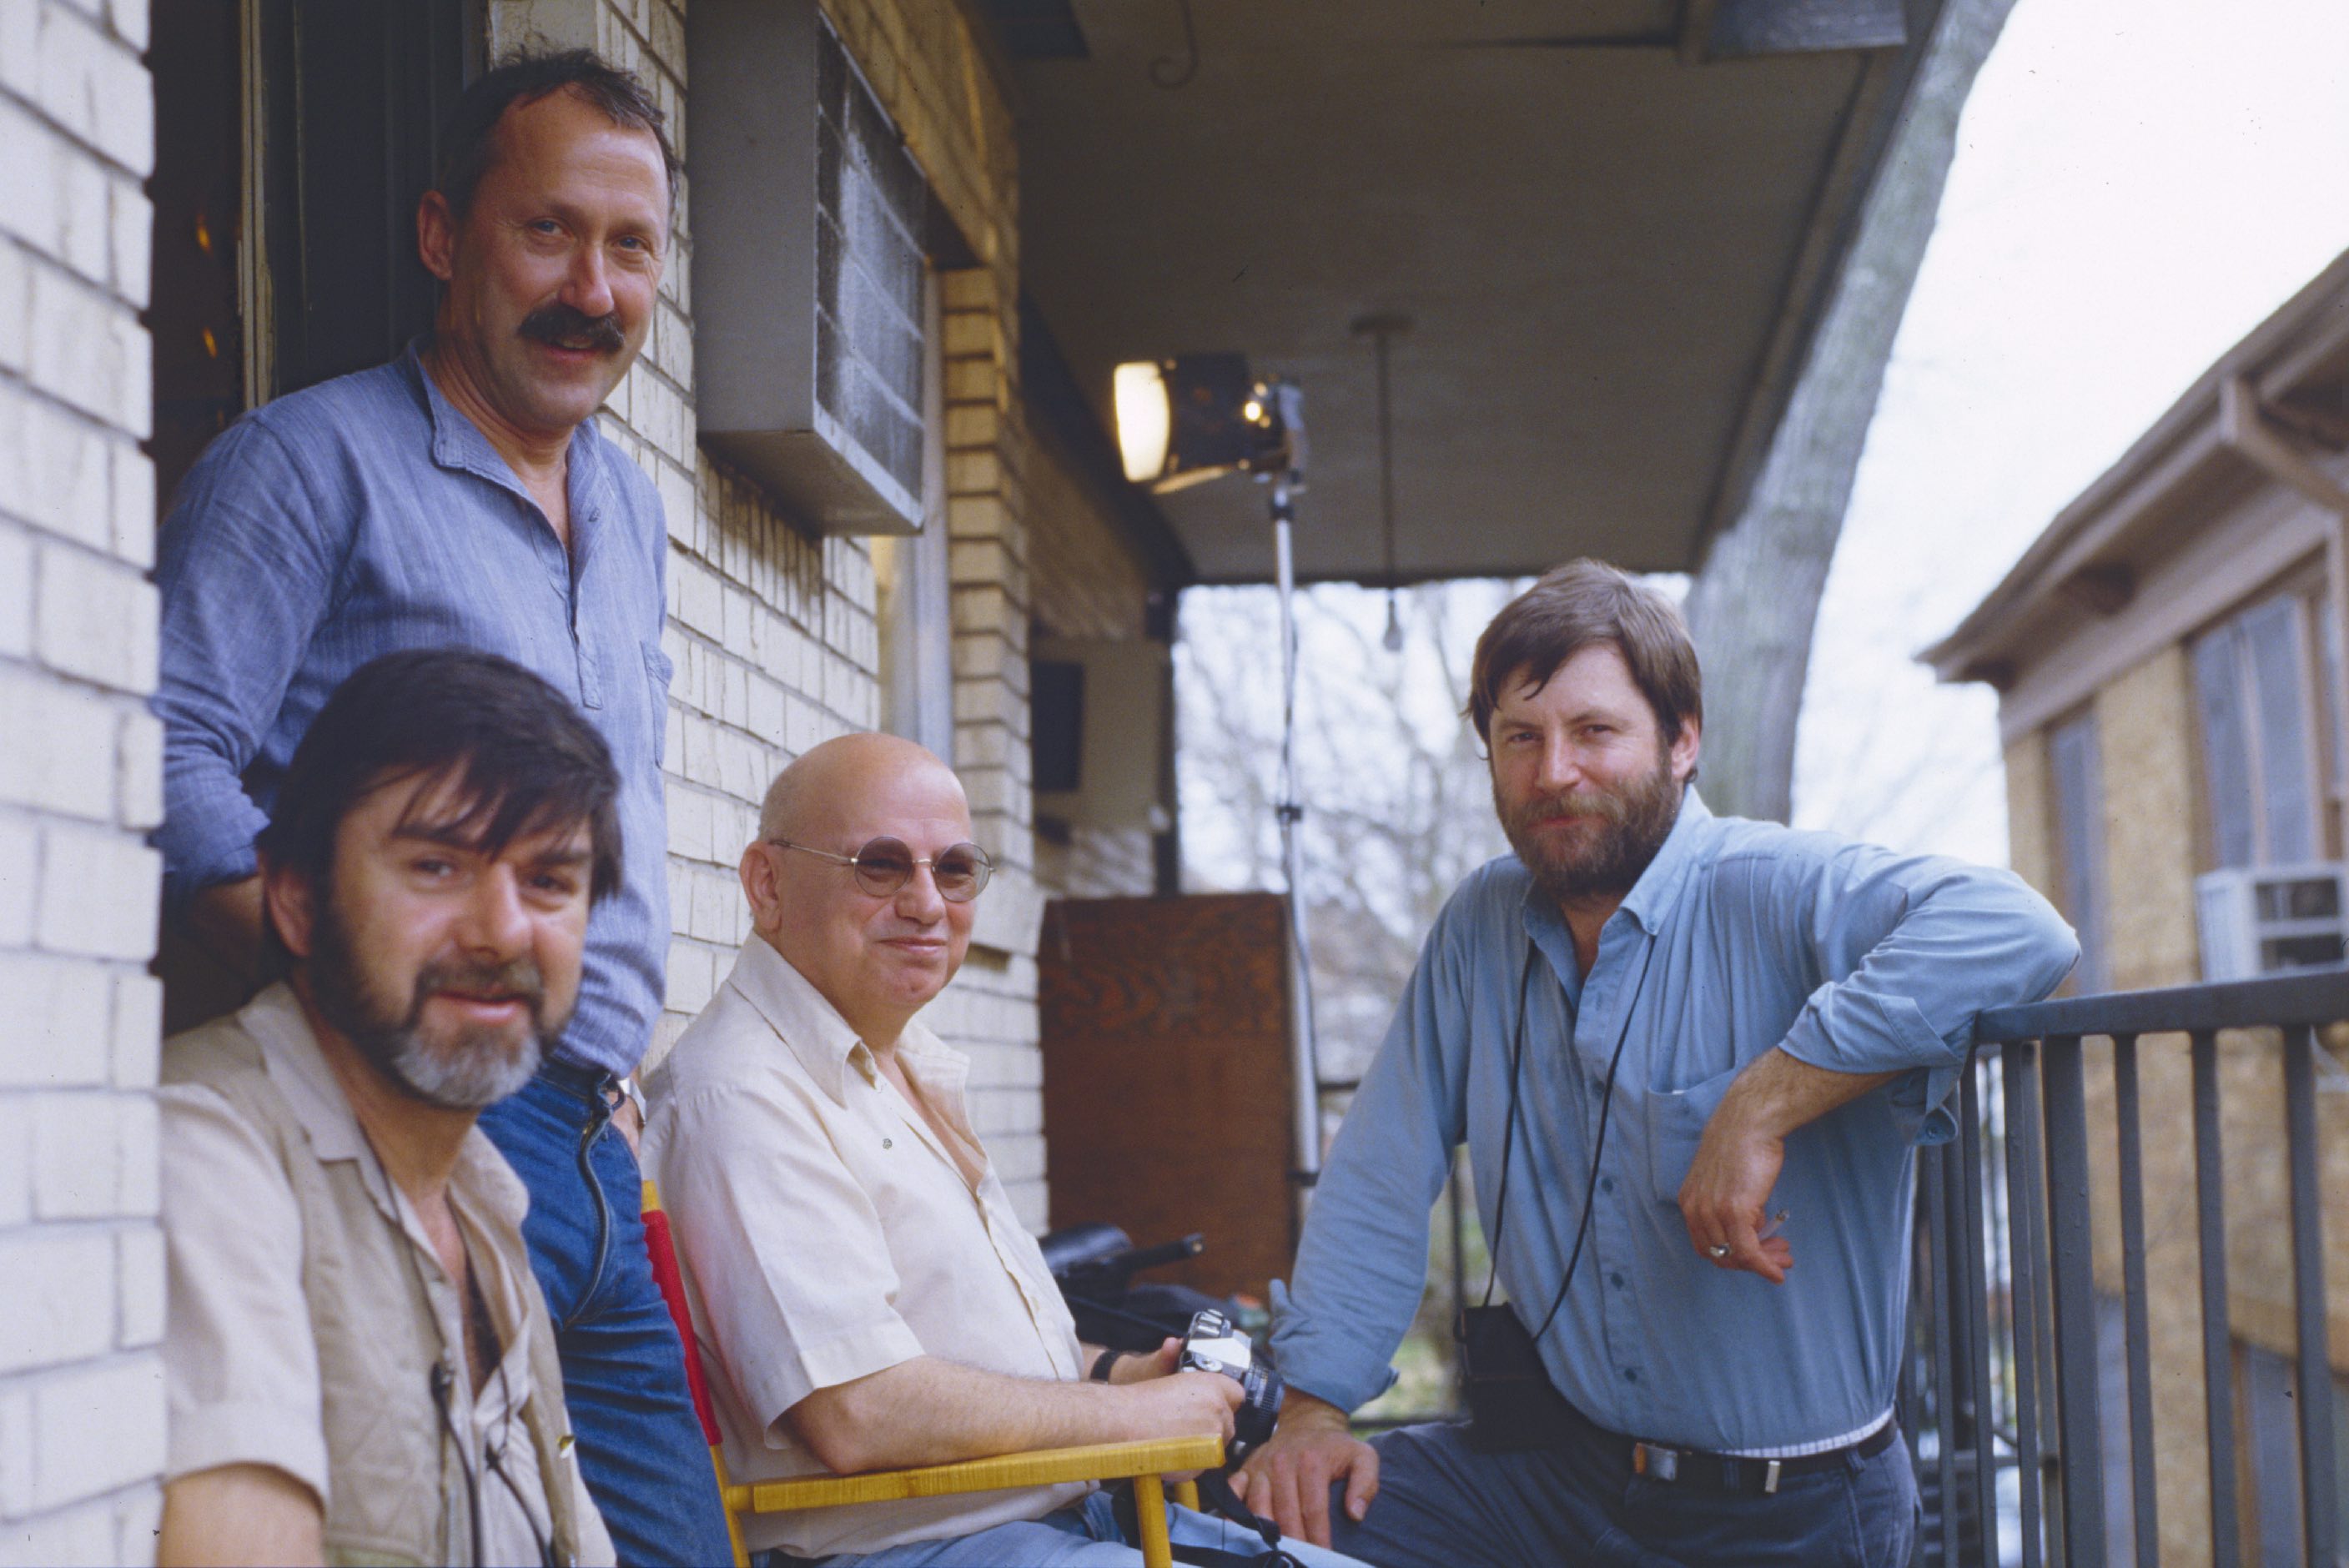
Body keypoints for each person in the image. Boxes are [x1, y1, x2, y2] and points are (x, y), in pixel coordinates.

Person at [150, 49, 731, 1560]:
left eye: (631, 248)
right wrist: (333, 984)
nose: (592, 290)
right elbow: (154, 748)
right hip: (402, 1102)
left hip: (593, 1141)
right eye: (548, 232)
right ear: (440, 236)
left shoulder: (630, 508)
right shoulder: (303, 465)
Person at [1232, 560, 2080, 1568]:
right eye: (1520, 737)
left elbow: (2017, 926)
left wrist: (1759, 1100)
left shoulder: (1769, 884)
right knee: (1248, 1521)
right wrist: (1313, 1408)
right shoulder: (1479, 924)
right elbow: (1380, 1168)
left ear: (1681, 741)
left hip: (1788, 1511)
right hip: (1556, 1476)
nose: (1553, 772)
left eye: (1594, 731)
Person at [643, 733, 1371, 1567]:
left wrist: (1122, 1374)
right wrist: (1133, 1418)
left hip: (1065, 1517)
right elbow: (856, 1410)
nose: (926, 903)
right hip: (920, 1550)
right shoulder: (742, 1096)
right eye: (880, 865)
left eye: (954, 869)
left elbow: (970, 1359)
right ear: (766, 883)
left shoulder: (895, 1064)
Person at [155, 648, 621, 1566]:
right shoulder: (205, 1153)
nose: (501, 931)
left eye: (548, 880)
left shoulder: (485, 1201)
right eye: (437, 866)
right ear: (296, 900)